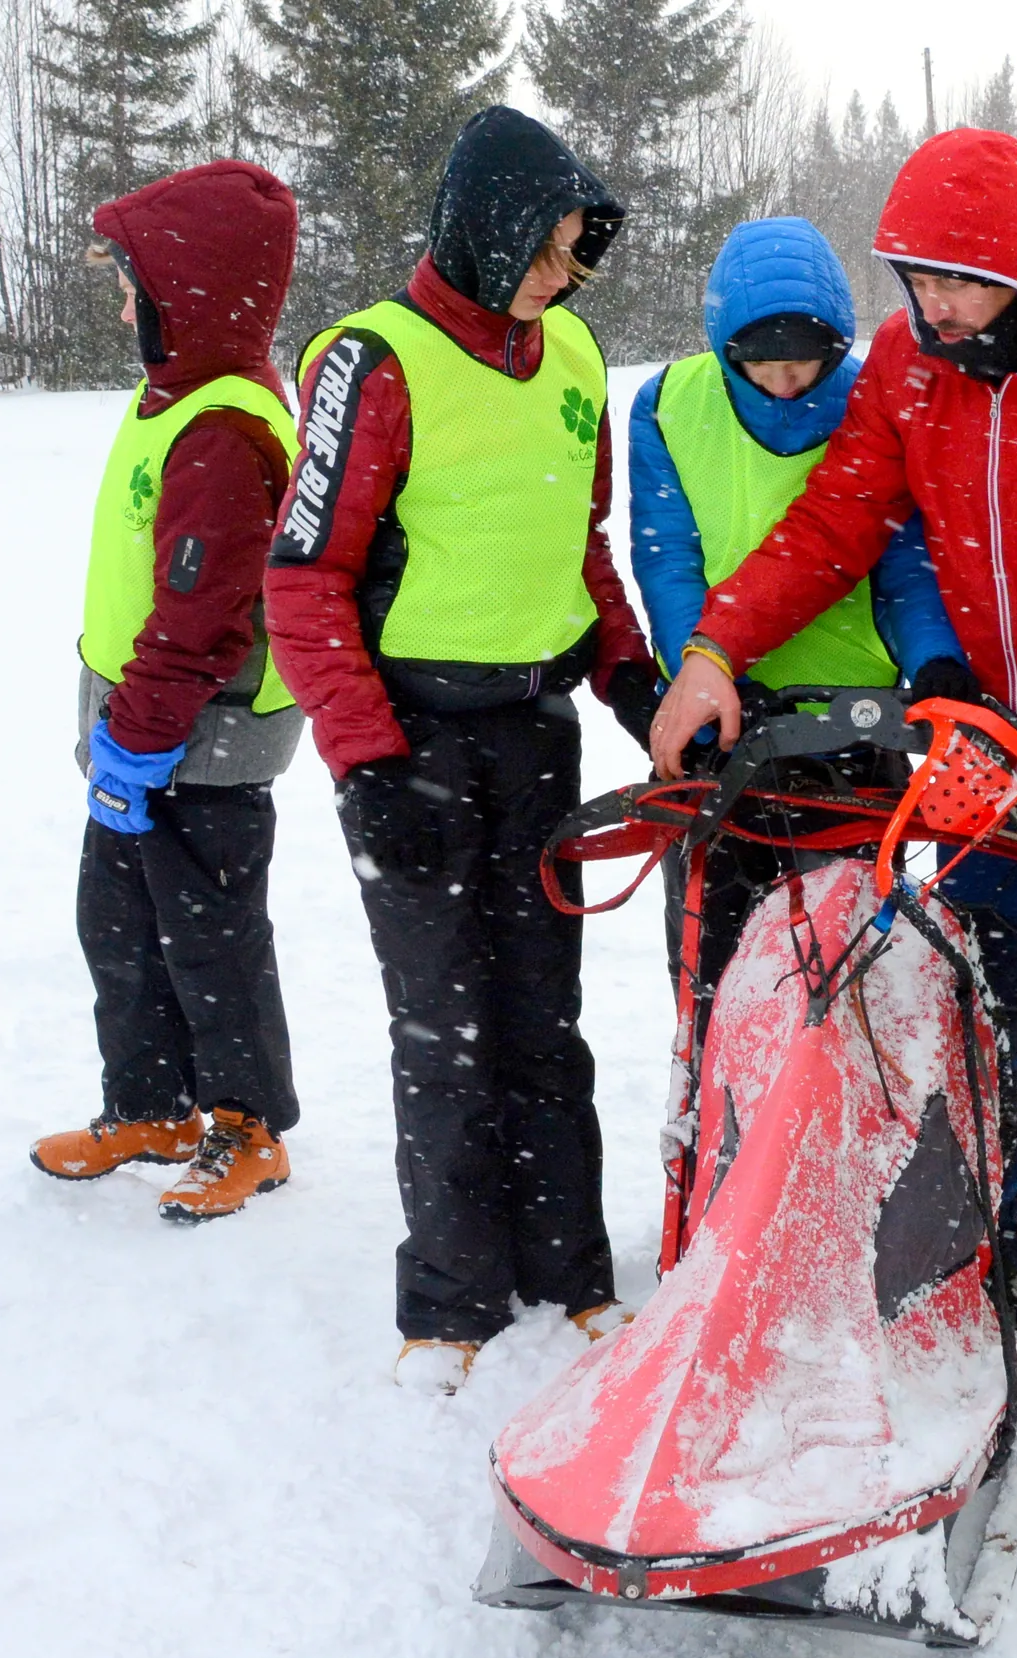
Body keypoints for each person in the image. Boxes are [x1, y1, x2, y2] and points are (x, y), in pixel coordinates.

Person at [647, 129, 1017, 1353]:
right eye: (915, 279)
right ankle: (975, 1239)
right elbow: (837, 522)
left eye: (959, 283)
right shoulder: (906, 365)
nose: (933, 307)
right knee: (972, 993)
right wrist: (715, 646)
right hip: (981, 742)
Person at [265, 107, 656, 1395]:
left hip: (535, 732)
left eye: (575, 251)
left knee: (545, 1015)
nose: (560, 276)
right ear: (481, 231)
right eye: (542, 250)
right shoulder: (372, 361)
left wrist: (634, 682)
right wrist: (367, 765)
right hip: (411, 740)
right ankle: (450, 1297)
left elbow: (578, 548)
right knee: (445, 1025)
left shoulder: (576, 354)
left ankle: (571, 1269)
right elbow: (304, 580)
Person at [32, 161, 306, 1225]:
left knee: (211, 940)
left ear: (185, 295)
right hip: (138, 730)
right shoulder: (174, 398)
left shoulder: (225, 429)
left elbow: (202, 617)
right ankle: (152, 1109)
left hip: (202, 741)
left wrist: (138, 742)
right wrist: (122, 737)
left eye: (129, 286)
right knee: (120, 927)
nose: (120, 307)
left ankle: (248, 1127)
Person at [625, 215, 967, 1002]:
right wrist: (703, 668)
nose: (786, 382)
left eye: (805, 362)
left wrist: (935, 662)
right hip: (720, 727)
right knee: (716, 974)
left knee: (857, 976)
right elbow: (668, 562)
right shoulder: (670, 405)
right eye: (764, 364)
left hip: (858, 727)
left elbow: (904, 568)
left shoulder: (873, 401)